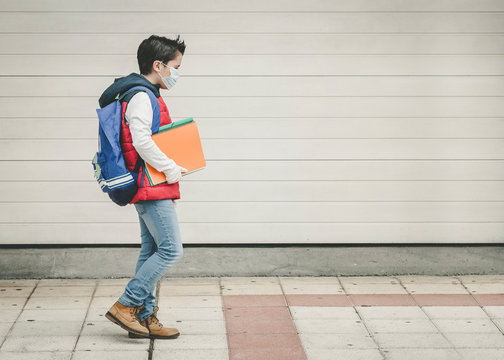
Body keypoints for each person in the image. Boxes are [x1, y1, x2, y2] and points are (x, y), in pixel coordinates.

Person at [100, 35, 187, 339]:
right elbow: (141, 141)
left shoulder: (144, 92)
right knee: (171, 250)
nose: (177, 73)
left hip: (151, 183)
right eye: (175, 66)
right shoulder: (141, 95)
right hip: (149, 182)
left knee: (151, 249)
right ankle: (127, 305)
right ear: (158, 65)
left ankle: (145, 317)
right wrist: (171, 168)